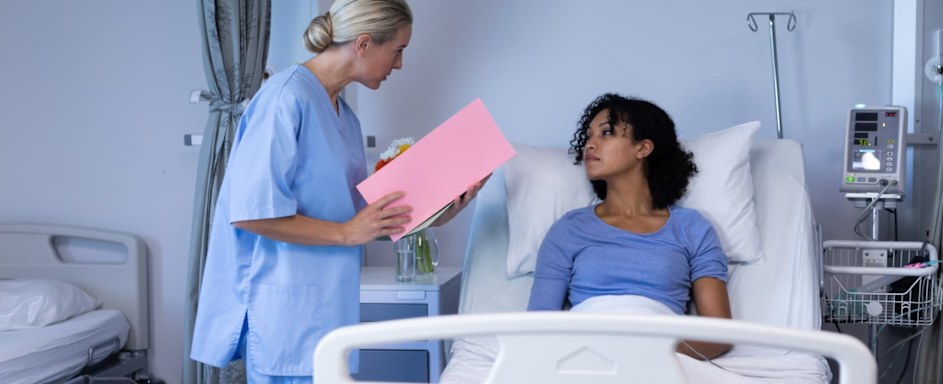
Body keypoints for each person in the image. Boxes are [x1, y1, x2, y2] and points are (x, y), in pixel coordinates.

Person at [190, 1, 484, 382]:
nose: (399, 65)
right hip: (285, 314)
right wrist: (347, 233)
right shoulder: (285, 99)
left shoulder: (345, 116)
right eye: (397, 51)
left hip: (328, 310)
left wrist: (442, 209)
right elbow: (251, 212)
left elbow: (362, 215)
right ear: (363, 44)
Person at [526, 93, 732, 360]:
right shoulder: (568, 230)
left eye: (606, 133)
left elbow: (720, 335)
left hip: (664, 358)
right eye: (588, 136)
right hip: (585, 355)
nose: (590, 144)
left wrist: (649, 354)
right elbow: (537, 329)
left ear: (643, 148)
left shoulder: (692, 228)